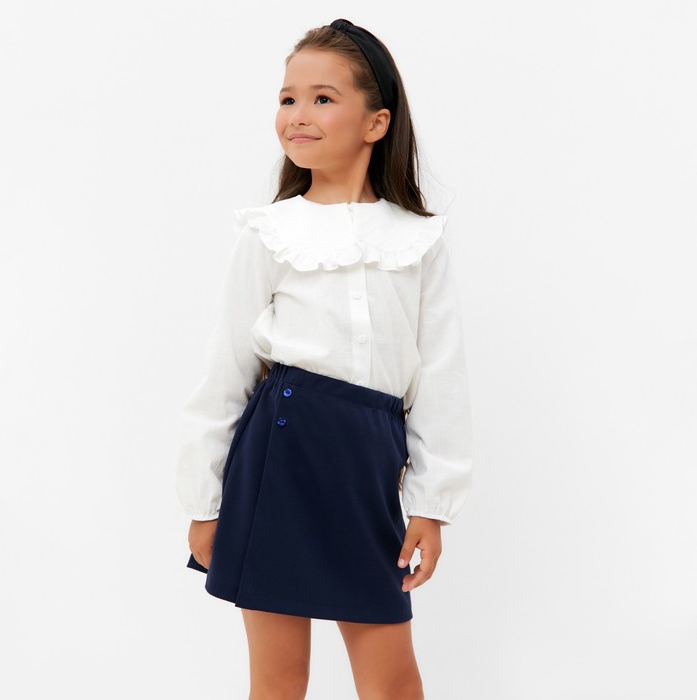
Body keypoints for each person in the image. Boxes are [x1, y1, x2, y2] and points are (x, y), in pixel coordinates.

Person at [175, 17, 473, 699]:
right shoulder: (270, 233)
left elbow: (441, 378)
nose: (298, 114)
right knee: (280, 681)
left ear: (376, 123)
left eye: (322, 98)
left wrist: (432, 505)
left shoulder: (418, 241)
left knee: (393, 680)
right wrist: (204, 502)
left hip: (368, 465)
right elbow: (224, 373)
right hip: (278, 458)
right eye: (288, 98)